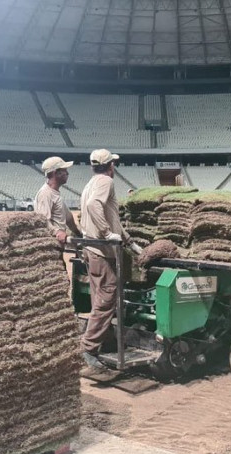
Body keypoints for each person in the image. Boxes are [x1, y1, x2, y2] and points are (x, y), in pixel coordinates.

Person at [79, 148, 141, 369]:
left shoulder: (91, 183)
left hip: (91, 249)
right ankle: (89, 347)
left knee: (99, 298)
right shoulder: (106, 182)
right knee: (107, 296)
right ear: (111, 166)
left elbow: (111, 216)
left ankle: (104, 340)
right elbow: (93, 206)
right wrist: (106, 234)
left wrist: (128, 240)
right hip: (101, 251)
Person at [34, 156, 81, 244]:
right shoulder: (45, 194)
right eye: (64, 171)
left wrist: (78, 233)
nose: (67, 173)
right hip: (50, 246)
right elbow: (42, 221)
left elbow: (69, 218)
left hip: (58, 244)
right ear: (56, 173)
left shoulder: (55, 194)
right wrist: (57, 232)